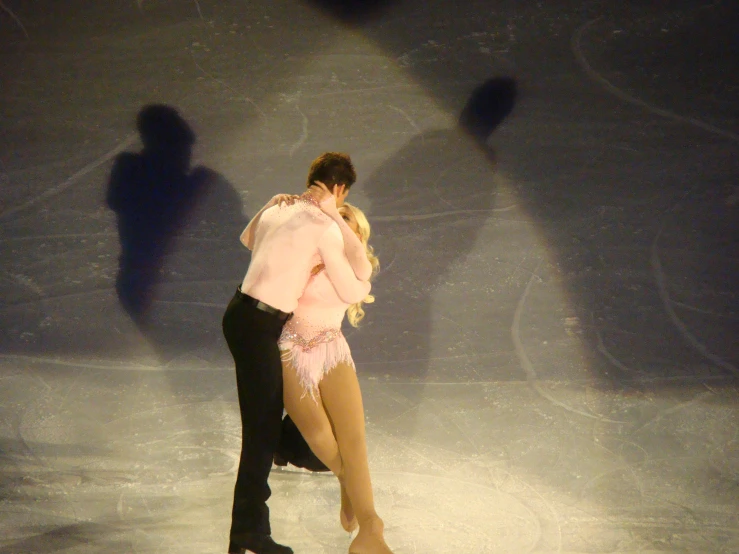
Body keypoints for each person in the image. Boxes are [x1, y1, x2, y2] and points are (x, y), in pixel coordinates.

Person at [222, 152, 373, 554]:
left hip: (243, 315)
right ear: (339, 189)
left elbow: (248, 239)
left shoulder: (275, 207)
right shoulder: (325, 226)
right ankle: (249, 535)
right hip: (260, 325)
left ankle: (248, 532)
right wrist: (328, 221)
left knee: (264, 427)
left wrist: (285, 210)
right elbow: (359, 287)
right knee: (260, 432)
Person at [279, 202, 394, 554]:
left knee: (354, 439)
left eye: (344, 221)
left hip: (331, 348)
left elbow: (351, 287)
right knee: (318, 433)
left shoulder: (356, 270)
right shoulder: (303, 256)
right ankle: (347, 481)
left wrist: (333, 227)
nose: (333, 224)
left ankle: (372, 527)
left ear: (356, 234)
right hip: (290, 350)